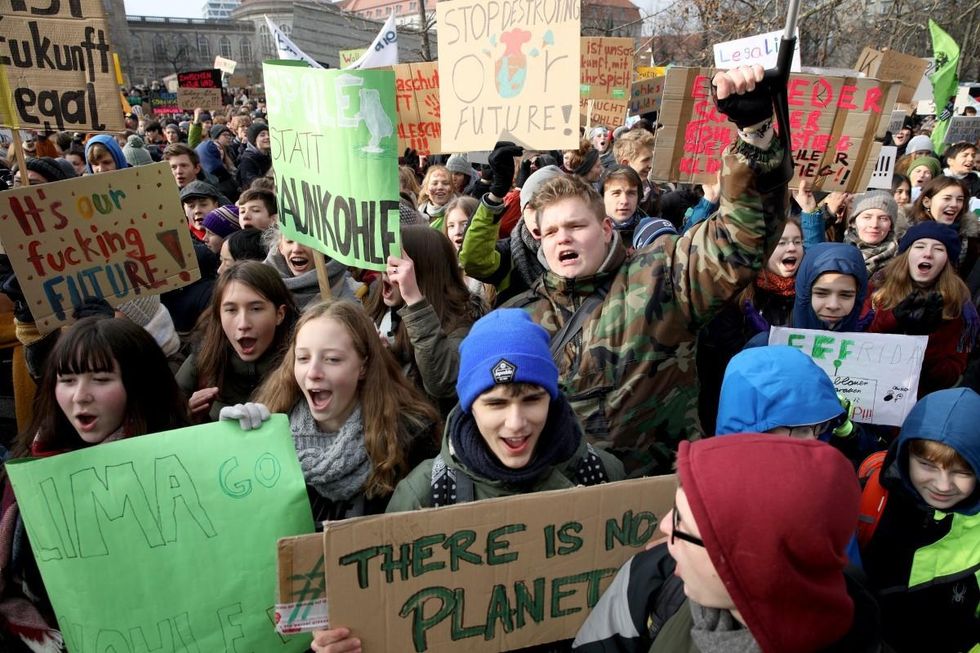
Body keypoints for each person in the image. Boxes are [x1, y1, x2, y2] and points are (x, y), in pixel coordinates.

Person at [509, 64, 791, 474]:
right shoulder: (520, 318)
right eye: (550, 231)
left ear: (606, 229)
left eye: (575, 225)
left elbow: (741, 240)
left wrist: (755, 135)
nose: (562, 238)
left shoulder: (663, 275)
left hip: (656, 503)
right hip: (565, 513)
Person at [310, 309, 625, 653]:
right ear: (470, 406)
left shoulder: (602, 475)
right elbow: (393, 620)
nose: (516, 423)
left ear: (553, 396)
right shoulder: (426, 495)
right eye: (496, 404)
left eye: (532, 399)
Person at [572, 434, 880, 653]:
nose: (664, 526)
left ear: (753, 568)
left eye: (684, 524)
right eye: (674, 510)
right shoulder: (658, 577)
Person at [0, 317, 190, 652]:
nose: (80, 396)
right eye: (67, 380)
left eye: (101, 379)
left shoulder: (182, 464)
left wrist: (245, 434)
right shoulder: (29, 470)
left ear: (139, 385)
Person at [234, 299, 441, 522]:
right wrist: (238, 446)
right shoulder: (273, 430)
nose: (313, 372)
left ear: (363, 366)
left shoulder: (411, 438)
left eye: (332, 359)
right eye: (303, 358)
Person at [859, 388, 980, 653]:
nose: (942, 485)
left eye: (963, 471)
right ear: (904, 454)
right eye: (926, 465)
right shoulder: (868, 497)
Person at [697, 218, 803, 429]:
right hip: (748, 409)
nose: (791, 248)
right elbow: (721, 365)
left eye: (797, 241)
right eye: (781, 243)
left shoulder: (809, 296)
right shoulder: (737, 297)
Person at [369, 225, 485, 413]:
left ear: (421, 272)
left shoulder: (464, 327)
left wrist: (414, 300)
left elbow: (441, 382)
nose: (386, 271)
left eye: (396, 267)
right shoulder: (384, 314)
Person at [176, 261, 297, 422]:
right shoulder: (202, 359)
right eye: (231, 310)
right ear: (219, 314)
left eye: (256, 309)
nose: (243, 324)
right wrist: (187, 416)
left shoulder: (303, 366)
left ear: (279, 314)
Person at [866, 222, 977, 397]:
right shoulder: (876, 289)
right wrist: (891, 321)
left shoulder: (960, 308)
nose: (928, 253)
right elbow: (859, 346)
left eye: (939, 249)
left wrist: (922, 344)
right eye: (919, 246)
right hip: (868, 390)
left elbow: (951, 375)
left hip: (917, 401)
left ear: (948, 261)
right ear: (906, 254)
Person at [459, 154, 562, 306]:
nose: (540, 215)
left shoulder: (580, 246)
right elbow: (474, 260)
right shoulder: (511, 251)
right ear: (523, 210)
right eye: (532, 206)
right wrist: (495, 196)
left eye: (550, 206)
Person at [263, 229, 362, 309]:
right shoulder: (259, 287)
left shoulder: (356, 292)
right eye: (290, 241)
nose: (297, 249)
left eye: (306, 241)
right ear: (280, 247)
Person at [791, 242, 869, 333]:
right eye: (821, 293)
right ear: (805, 292)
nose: (833, 305)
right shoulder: (776, 334)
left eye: (846, 295)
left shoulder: (872, 334)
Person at [909, 175, 979, 275]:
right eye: (947, 198)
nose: (954, 204)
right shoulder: (905, 234)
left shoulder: (969, 240)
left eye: (960, 200)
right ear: (927, 202)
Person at [417, 164, 456, 229]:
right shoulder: (418, 215)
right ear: (426, 189)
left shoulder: (461, 211)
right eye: (434, 183)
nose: (440, 187)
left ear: (452, 188)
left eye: (445, 183)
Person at [237, 122, 272, 190]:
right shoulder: (247, 160)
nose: (267, 137)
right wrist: (270, 173)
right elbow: (253, 185)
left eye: (269, 134)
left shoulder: (270, 156)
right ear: (254, 141)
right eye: (262, 135)